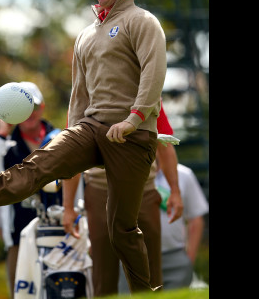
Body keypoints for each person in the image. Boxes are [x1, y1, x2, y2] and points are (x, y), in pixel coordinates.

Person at [0, 0, 167, 293]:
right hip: (91, 129)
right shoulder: (87, 34)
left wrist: (134, 119)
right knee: (45, 160)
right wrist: (74, 131)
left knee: (121, 231)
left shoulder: (142, 21)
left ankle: (149, 293)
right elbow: (79, 96)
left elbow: (154, 73)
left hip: (131, 136)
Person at [61, 102, 183, 297]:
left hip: (144, 190)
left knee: (150, 274)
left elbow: (165, 144)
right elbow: (71, 154)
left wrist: (175, 191)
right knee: (103, 275)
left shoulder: (148, 94)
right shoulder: (85, 96)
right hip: (100, 191)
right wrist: (68, 207)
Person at [0, 82, 62, 298]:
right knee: (21, 292)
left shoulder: (58, 138)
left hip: (60, 231)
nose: (30, 114)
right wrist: (2, 133)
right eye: (23, 108)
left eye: (33, 107)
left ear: (42, 108)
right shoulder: (5, 145)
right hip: (18, 236)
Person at [157, 162, 208, 290]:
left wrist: (188, 260)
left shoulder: (184, 175)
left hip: (175, 256)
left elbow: (196, 219)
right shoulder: (126, 171)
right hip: (134, 260)